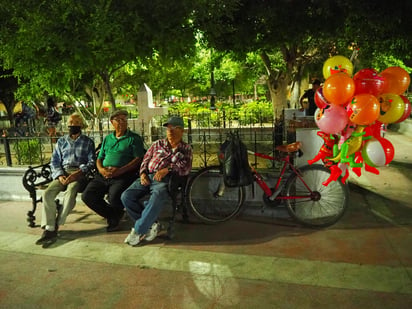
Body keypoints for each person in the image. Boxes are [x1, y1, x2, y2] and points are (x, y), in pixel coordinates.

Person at [121, 116, 193, 246]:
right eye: (168, 128)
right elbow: (146, 160)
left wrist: (168, 169)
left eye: (175, 128)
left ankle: (138, 231)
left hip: (166, 179)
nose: (170, 131)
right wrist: (143, 173)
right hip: (148, 176)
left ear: (182, 131)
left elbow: (186, 168)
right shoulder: (157, 144)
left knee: (158, 195)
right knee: (126, 196)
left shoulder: (185, 148)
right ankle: (152, 224)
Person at [36, 113, 96, 245]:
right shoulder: (61, 141)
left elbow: (92, 162)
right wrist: (60, 175)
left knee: (72, 190)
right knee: (47, 193)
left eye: (75, 123)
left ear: (80, 125)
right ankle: (50, 228)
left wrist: (78, 173)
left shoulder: (87, 142)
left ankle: (54, 225)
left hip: (78, 173)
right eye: (70, 122)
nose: (71, 125)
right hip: (63, 173)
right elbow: (55, 161)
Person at [82, 110, 145, 232]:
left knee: (115, 196)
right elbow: (99, 158)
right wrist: (101, 169)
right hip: (103, 174)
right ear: (112, 122)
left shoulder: (134, 138)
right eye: (119, 120)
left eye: (124, 120)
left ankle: (114, 218)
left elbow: (138, 159)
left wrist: (120, 171)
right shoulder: (107, 139)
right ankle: (113, 215)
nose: (122, 122)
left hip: (123, 175)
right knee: (87, 196)